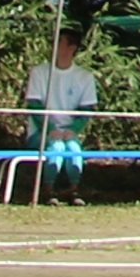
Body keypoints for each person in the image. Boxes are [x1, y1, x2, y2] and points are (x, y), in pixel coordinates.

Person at [21, 25, 99, 190]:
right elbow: (34, 105)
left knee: (73, 148)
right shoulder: (39, 72)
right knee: (56, 146)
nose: (53, 46)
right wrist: (49, 129)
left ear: (72, 48)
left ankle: (73, 190)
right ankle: (48, 190)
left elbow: (87, 110)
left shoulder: (85, 77)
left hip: (68, 133)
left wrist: (73, 129)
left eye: (59, 42)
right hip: (40, 133)